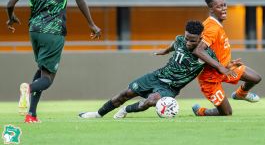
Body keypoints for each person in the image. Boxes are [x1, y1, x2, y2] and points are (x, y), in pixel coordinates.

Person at [6, 0, 101, 123]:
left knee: (42, 69)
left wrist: (11, 17)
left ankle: (31, 114)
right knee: (48, 79)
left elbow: (10, 3)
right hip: (54, 30)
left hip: (34, 29)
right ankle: (29, 88)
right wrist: (91, 23)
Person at [79, 20, 217, 119]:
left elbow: (219, 66)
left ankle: (125, 110)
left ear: (201, 38)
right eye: (187, 38)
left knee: (150, 101)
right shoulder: (180, 40)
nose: (188, 42)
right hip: (156, 76)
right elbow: (174, 45)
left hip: (170, 88)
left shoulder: (207, 54)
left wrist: (229, 66)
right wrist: (164, 51)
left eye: (192, 40)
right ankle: (98, 114)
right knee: (125, 94)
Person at [192, 0, 262, 116]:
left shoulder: (216, 25)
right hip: (210, 78)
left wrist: (228, 64)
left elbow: (214, 50)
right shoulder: (211, 28)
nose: (224, 9)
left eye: (224, 5)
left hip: (225, 69)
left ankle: (241, 94)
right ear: (211, 9)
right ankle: (201, 111)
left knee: (255, 78)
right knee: (226, 112)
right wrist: (219, 66)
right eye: (219, 6)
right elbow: (198, 50)